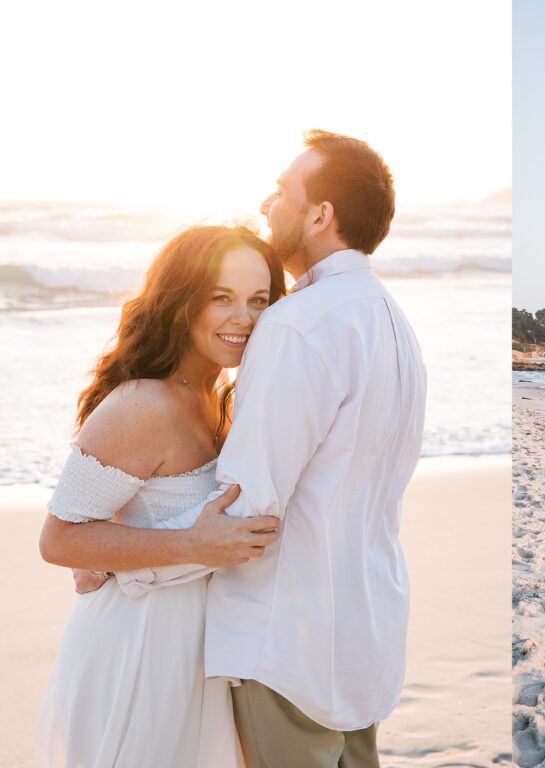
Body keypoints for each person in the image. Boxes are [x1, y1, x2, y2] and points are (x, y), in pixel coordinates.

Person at [111, 131, 427, 766]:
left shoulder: (294, 326)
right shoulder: (394, 322)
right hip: (368, 632)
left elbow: (246, 509)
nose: (267, 202)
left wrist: (125, 563)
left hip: (289, 644)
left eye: (282, 191)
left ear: (319, 215)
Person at [35, 225, 287, 767]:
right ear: (181, 301)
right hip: (139, 647)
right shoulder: (143, 405)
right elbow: (59, 540)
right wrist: (194, 542)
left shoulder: (216, 394)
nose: (244, 317)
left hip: (199, 646)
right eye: (221, 297)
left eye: (259, 300)